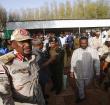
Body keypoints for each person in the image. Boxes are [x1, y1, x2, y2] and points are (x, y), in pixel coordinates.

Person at [0, 28, 45, 105]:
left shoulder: (33, 57)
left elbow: (35, 82)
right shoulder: (4, 63)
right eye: (22, 42)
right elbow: (4, 96)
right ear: (12, 43)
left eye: (28, 41)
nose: (27, 44)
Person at [70, 37, 100, 103]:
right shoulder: (76, 51)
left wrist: (97, 72)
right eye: (82, 43)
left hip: (89, 72)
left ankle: (82, 92)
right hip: (78, 73)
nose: (83, 45)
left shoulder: (93, 51)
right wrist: (71, 71)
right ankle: (82, 97)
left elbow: (97, 62)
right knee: (80, 85)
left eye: (85, 43)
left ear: (87, 43)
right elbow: (73, 62)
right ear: (80, 43)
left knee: (86, 85)